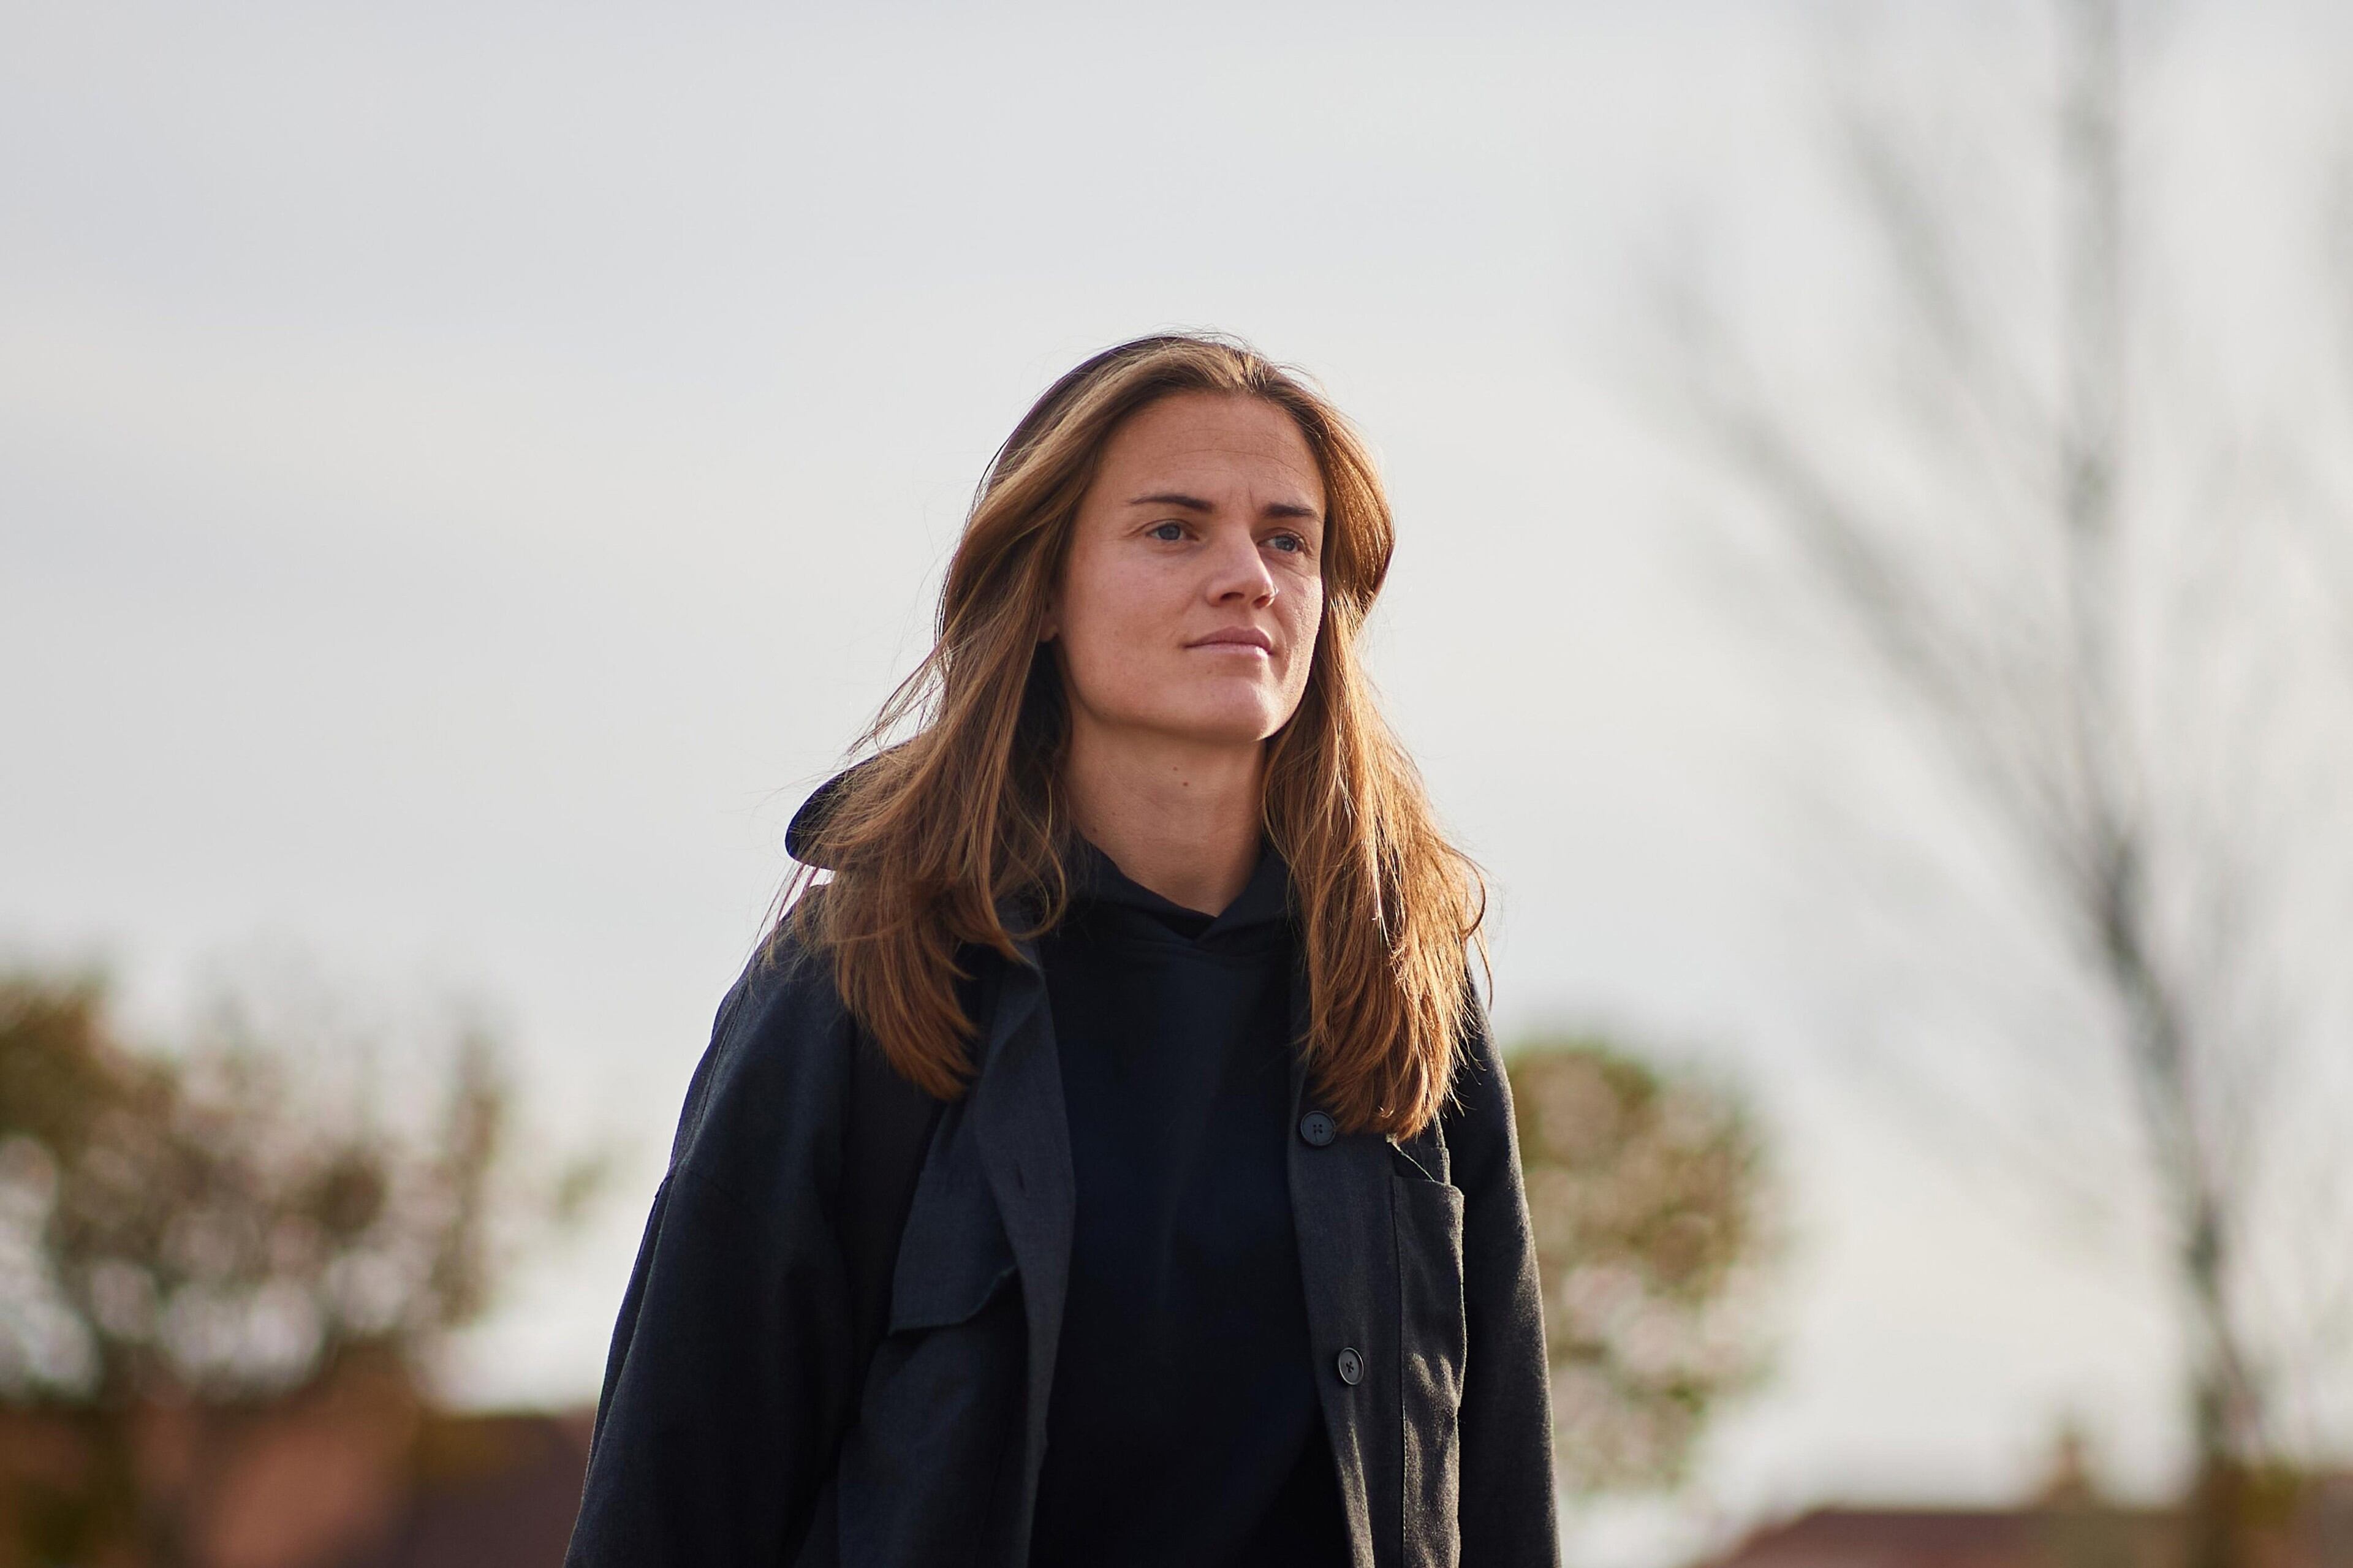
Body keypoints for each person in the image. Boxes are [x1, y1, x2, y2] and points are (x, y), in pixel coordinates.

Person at [564, 333, 1559, 1568]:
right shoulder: (864, 970)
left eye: (1288, 539)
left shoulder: (1402, 979)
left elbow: (1500, 1485)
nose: (1247, 577)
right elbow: (678, 1488)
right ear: (1041, 591)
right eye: (1174, 530)